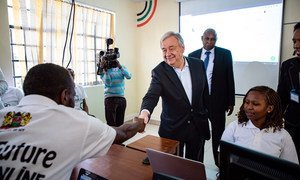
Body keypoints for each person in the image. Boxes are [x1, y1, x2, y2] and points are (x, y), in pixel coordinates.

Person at [0, 63, 145, 179]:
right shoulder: (75, 121)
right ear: (64, 96)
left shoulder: (4, 116)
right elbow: (122, 133)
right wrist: (138, 123)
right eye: (73, 94)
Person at [139, 31, 210, 162]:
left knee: (194, 165)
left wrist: (206, 114)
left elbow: (205, 93)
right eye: (164, 50)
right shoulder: (159, 72)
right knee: (173, 168)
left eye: (171, 48)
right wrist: (145, 112)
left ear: (182, 48)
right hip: (173, 129)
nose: (167, 54)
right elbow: (151, 95)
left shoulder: (198, 65)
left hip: (197, 126)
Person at [188, 28, 235, 167]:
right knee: (199, 133)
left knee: (218, 134)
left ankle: (219, 164)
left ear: (216, 39)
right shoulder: (192, 55)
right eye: (207, 39)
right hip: (199, 102)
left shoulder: (225, 54)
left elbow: (229, 78)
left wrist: (231, 101)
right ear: (202, 38)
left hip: (218, 102)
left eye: (213, 39)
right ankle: (197, 163)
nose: (209, 42)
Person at [221, 86, 298, 164]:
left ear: (270, 108)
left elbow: (291, 169)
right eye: (247, 102)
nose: (249, 107)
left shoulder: (283, 135)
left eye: (255, 104)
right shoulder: (234, 127)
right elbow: (222, 157)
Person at [277, 22, 300, 159]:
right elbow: (281, 97)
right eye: (294, 41)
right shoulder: (287, 66)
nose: (296, 45)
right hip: (292, 126)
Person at [98, 58, 131, 127]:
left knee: (120, 123)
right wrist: (106, 71)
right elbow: (108, 83)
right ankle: (112, 138)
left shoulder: (122, 67)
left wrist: (120, 67)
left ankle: (119, 138)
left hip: (121, 98)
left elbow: (129, 76)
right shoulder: (103, 70)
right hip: (110, 99)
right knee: (111, 124)